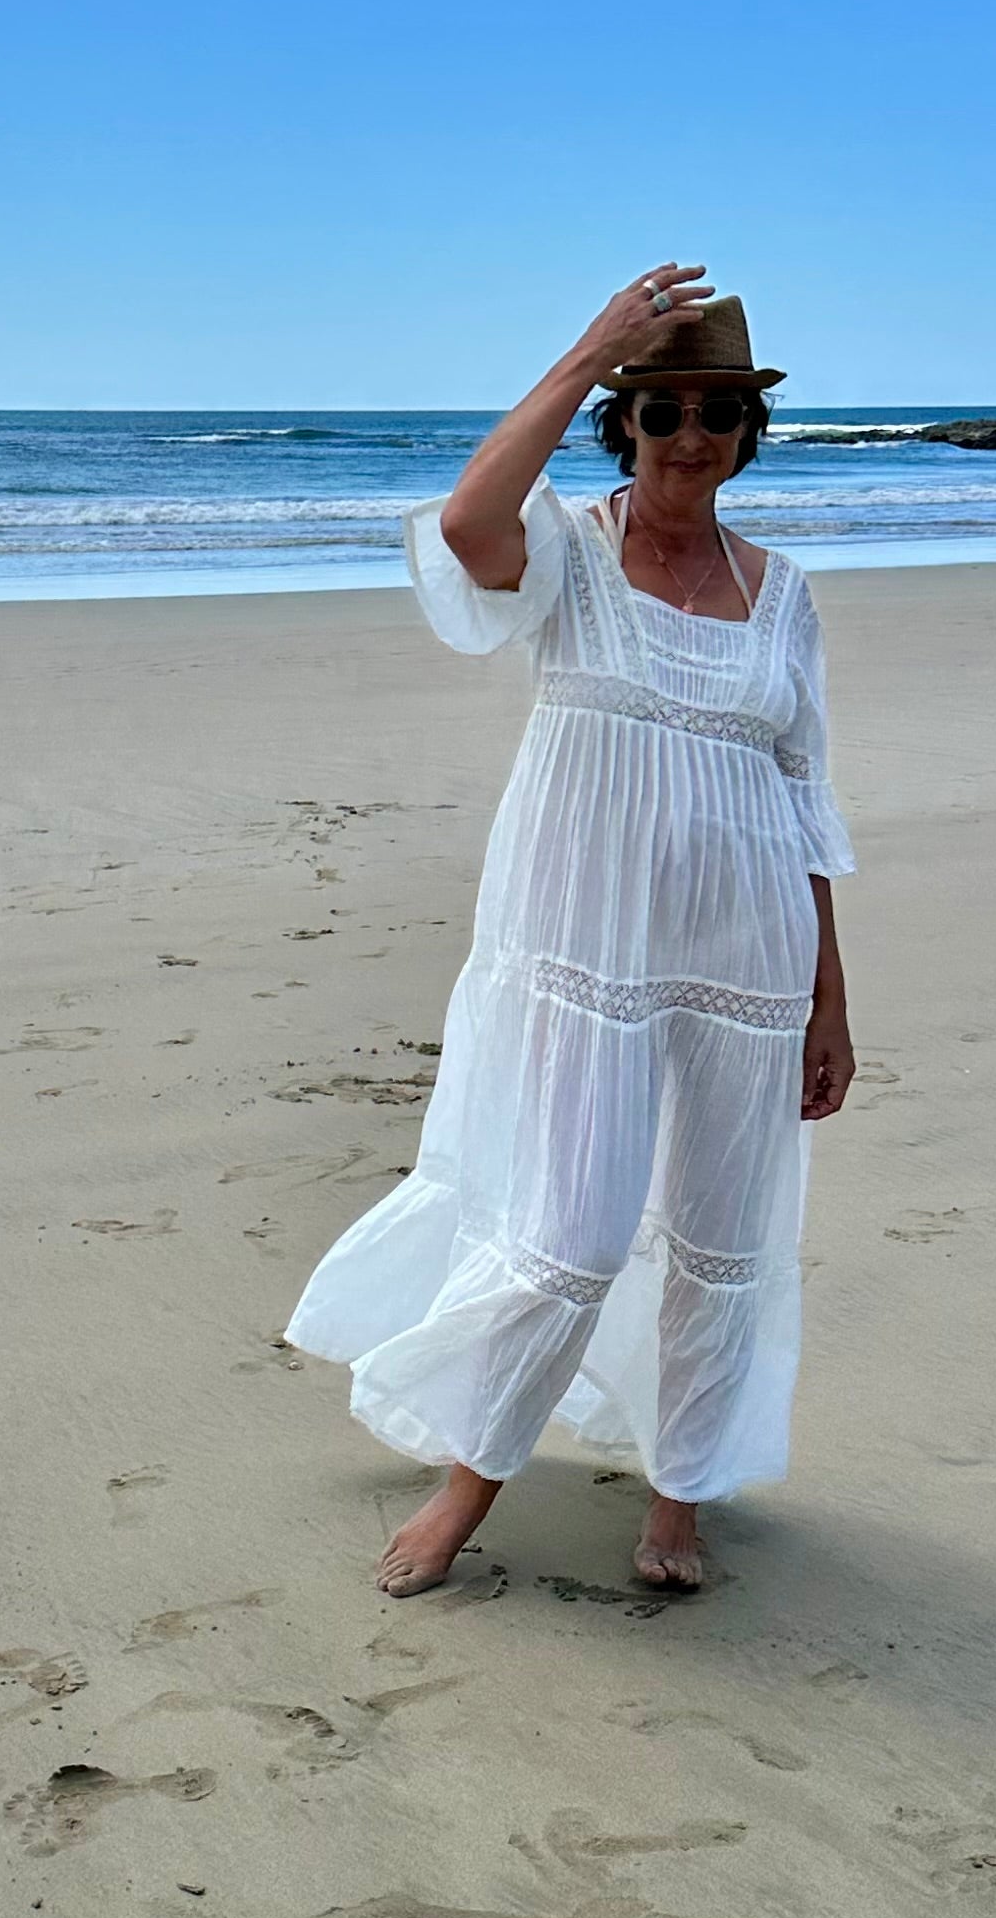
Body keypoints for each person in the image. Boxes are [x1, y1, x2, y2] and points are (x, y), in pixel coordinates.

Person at [287, 266, 858, 1595]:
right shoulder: (568, 557)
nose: (691, 436)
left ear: (748, 431)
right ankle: (467, 1483)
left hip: (749, 957)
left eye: (719, 411)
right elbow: (466, 523)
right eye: (662, 410)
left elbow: (806, 797)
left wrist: (830, 997)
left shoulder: (783, 594)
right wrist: (592, 348)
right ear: (624, 422)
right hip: (583, 953)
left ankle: (681, 1497)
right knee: (574, 1234)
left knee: (721, 1239)